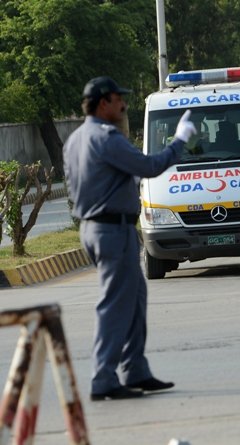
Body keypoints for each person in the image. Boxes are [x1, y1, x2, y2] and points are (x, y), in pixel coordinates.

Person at [63, 76, 197, 401]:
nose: (123, 106)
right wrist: (179, 141)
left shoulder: (75, 140)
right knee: (115, 305)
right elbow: (150, 166)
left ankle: (135, 368)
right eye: (118, 99)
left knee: (134, 298)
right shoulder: (107, 137)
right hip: (112, 229)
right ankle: (103, 378)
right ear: (103, 102)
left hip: (95, 227)